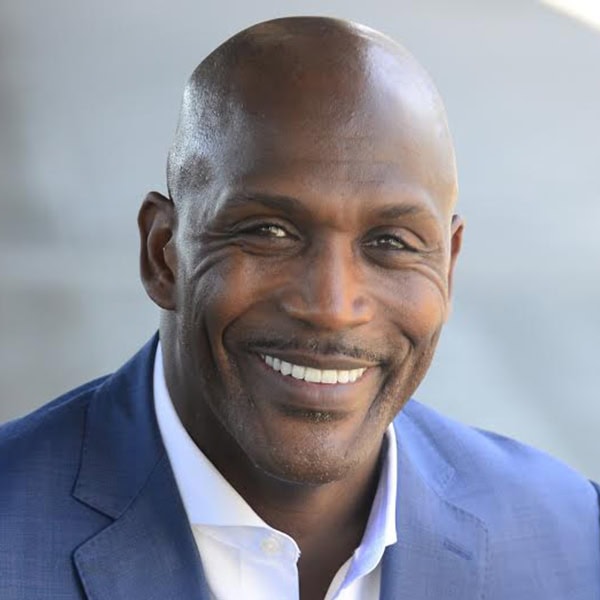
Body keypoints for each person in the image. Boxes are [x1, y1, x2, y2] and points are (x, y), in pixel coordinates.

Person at [0, 16, 598, 600]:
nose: (333, 307)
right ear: (164, 255)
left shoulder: (573, 541)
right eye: (269, 231)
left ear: (448, 265)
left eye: (391, 242)